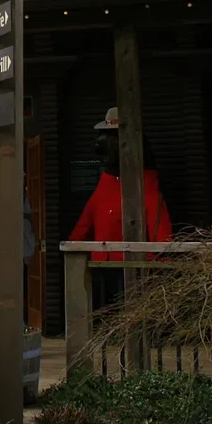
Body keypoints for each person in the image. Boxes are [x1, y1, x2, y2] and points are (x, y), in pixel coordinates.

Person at [68, 107, 173, 309]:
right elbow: (83, 226)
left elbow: (162, 236)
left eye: (113, 137)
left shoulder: (147, 188)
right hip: (102, 268)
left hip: (136, 272)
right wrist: (72, 250)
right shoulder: (106, 185)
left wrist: (161, 271)